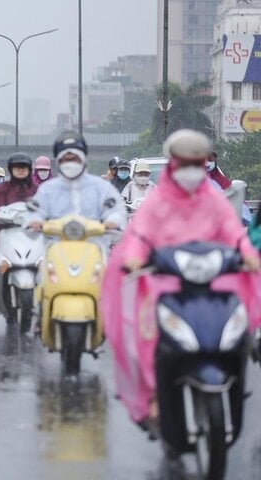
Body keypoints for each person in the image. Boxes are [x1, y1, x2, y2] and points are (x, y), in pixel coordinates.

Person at [101, 129, 261, 428]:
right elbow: (139, 234)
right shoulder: (156, 200)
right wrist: (135, 256)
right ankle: (155, 396)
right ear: (173, 164)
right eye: (184, 163)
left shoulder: (214, 198)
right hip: (166, 281)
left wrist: (246, 251)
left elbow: (233, 231)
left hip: (212, 281)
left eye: (196, 163)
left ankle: (239, 364)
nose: (191, 170)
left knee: (238, 319)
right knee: (147, 334)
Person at [28, 131, 126, 238]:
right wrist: (35, 221)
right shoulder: (46, 190)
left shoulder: (102, 187)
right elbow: (35, 212)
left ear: (83, 160)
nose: (70, 163)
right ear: (58, 162)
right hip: (55, 248)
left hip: (94, 247)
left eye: (74, 159)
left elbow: (116, 210)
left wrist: (113, 221)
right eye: (66, 160)